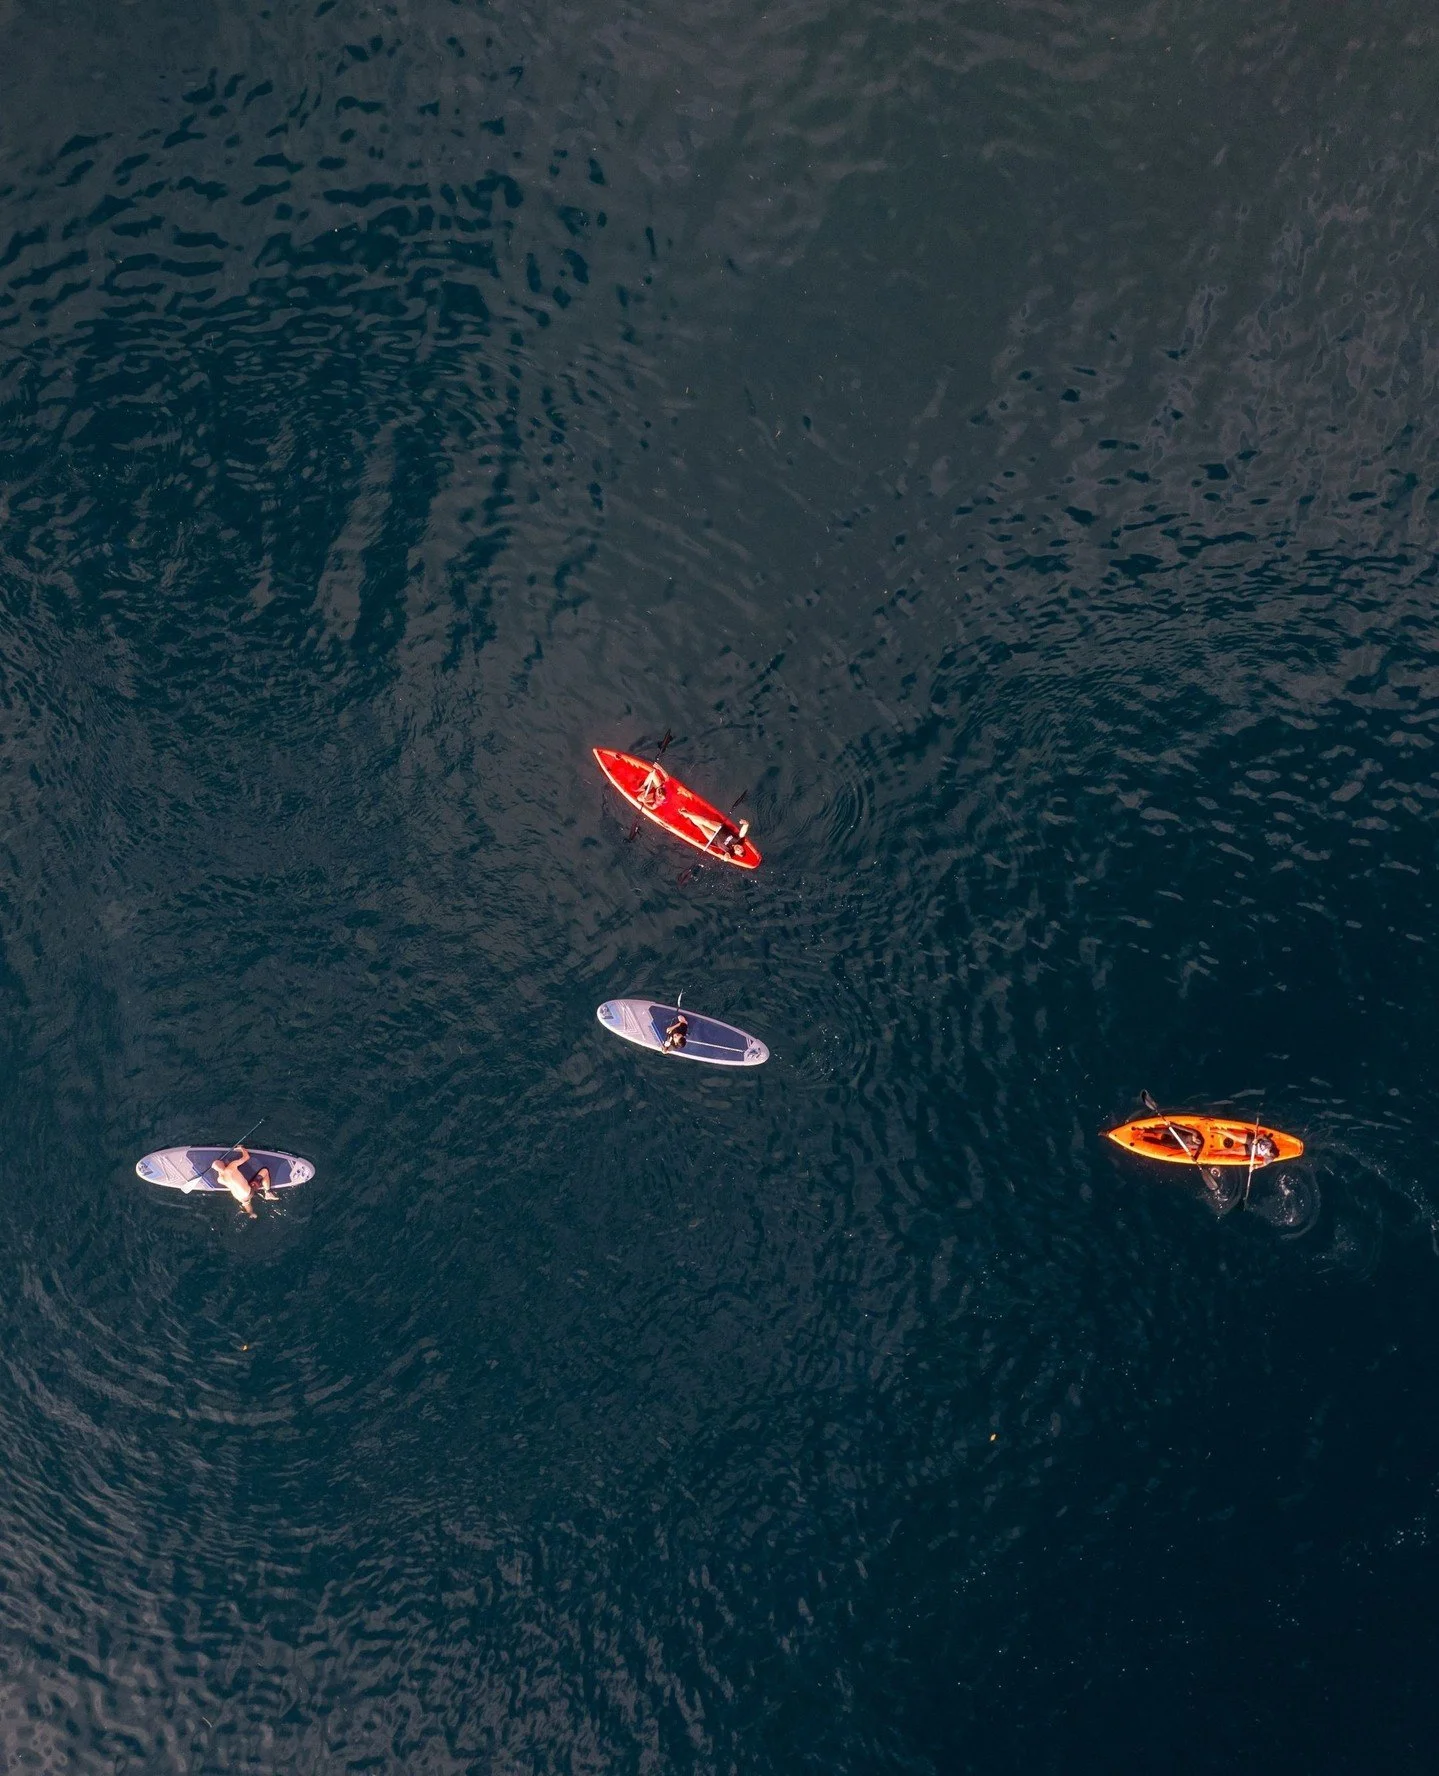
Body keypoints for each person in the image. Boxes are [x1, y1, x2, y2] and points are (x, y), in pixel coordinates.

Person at [211, 1145, 277, 1217]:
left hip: (239, 1197)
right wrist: (241, 1148)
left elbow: (220, 1171)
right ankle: (268, 1193)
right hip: (248, 1192)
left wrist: (217, 1167)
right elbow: (246, 1157)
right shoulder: (231, 1166)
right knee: (265, 1171)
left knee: (246, 1203)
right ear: (223, 1164)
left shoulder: (220, 1180)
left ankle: (251, 1213)